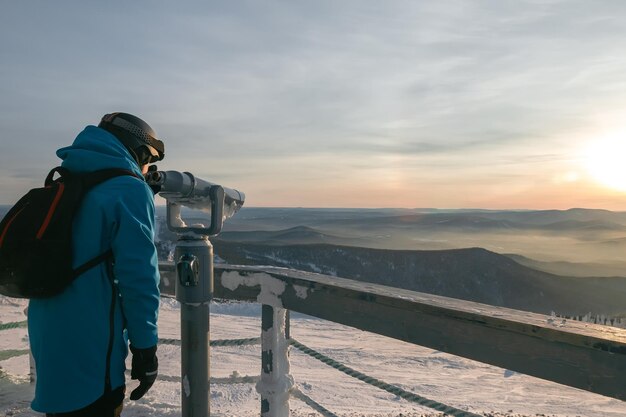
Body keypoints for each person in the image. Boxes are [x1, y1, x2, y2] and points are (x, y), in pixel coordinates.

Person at [28, 112, 164, 416]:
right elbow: (138, 277)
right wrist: (145, 348)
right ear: (139, 150)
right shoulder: (129, 189)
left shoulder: (67, 180)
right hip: (92, 343)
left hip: (49, 329)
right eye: (149, 160)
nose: (147, 170)